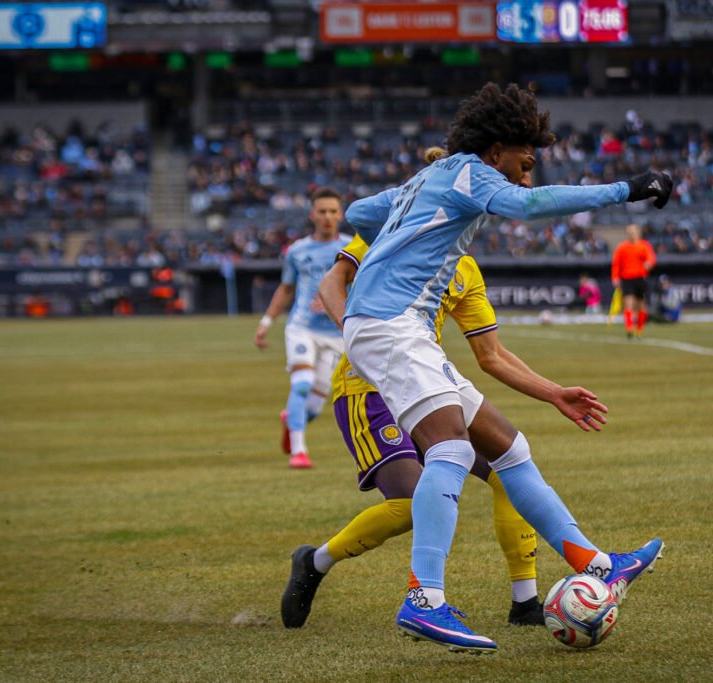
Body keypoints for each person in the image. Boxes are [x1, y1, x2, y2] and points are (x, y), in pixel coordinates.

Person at [341, 83, 670, 654]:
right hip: (392, 325)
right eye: (525, 159)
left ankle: (596, 564)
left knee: (509, 447)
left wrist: (394, 245)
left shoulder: (432, 177)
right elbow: (531, 206)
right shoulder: (470, 173)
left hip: (394, 325)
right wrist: (628, 190)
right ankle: (425, 599)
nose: (526, 172)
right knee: (450, 451)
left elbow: (358, 213)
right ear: (496, 150)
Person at [283, 217, 585, 630]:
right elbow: (331, 282)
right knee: (408, 504)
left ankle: (525, 602)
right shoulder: (395, 228)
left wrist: (553, 392)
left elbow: (491, 354)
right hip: (368, 390)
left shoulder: (466, 268)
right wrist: (355, 334)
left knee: (506, 471)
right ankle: (315, 561)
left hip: (427, 386)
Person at [254, 187, 351, 469]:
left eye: (332, 211)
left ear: (340, 214)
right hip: (302, 327)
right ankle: (299, 451)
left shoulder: (353, 248)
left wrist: (334, 301)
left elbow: (362, 286)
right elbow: (286, 288)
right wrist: (266, 322)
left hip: (335, 333)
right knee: (302, 384)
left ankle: (291, 420)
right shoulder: (297, 250)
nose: (327, 217)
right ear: (312, 215)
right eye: (322, 211)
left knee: (315, 405)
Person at [611, 224, 657, 339]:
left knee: (641, 305)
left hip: (640, 278)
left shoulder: (644, 245)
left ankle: (639, 330)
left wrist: (649, 264)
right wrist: (615, 277)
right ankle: (629, 329)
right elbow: (616, 263)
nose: (632, 234)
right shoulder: (622, 247)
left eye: (634, 232)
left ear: (638, 233)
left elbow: (651, 258)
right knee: (628, 303)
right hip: (627, 279)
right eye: (629, 232)